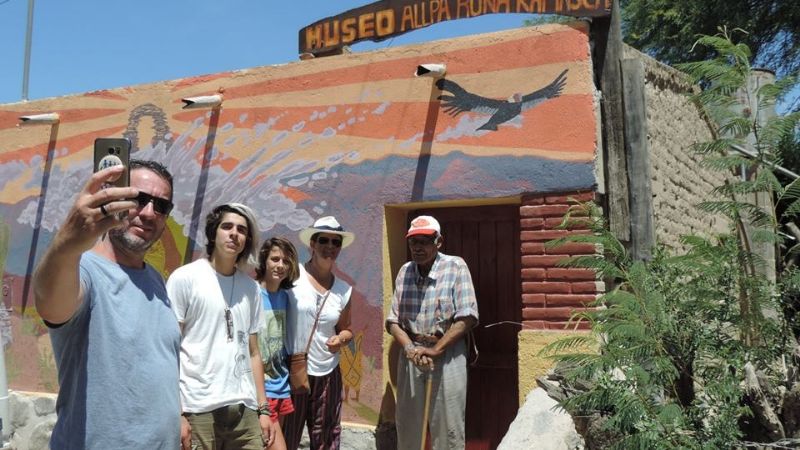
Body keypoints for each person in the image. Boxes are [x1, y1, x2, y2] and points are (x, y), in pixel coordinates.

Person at [33, 159, 181, 449]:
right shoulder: (84, 271)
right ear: (113, 199)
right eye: (140, 199)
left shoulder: (155, 280)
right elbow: (50, 303)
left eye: (161, 206)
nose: (150, 213)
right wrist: (66, 242)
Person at [167, 203, 277, 450]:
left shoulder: (251, 289)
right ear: (213, 233)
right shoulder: (185, 278)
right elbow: (169, 347)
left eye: (241, 229)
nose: (234, 234)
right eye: (227, 227)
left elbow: (254, 352)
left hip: (244, 407)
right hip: (197, 406)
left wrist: (263, 409)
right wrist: (177, 411)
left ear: (246, 239)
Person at [386, 215, 479, 450]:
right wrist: (408, 347)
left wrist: (436, 349)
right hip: (412, 355)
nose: (418, 247)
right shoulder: (405, 271)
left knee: (448, 429)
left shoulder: (456, 266)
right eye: (413, 242)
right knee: (408, 427)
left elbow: (467, 317)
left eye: (425, 241)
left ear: (438, 241)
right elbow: (393, 321)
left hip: (447, 354)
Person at [283, 216, 355, 450]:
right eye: (324, 240)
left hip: (327, 374)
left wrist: (342, 339)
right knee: (286, 436)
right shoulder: (292, 277)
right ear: (312, 244)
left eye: (336, 243)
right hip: (292, 369)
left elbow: (345, 329)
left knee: (326, 437)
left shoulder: (344, 290)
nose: (330, 247)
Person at [255, 237, 301, 450]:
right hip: (260, 392)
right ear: (264, 261)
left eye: (285, 261)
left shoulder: (286, 297)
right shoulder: (253, 294)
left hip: (280, 386)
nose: (280, 265)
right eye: (275, 259)